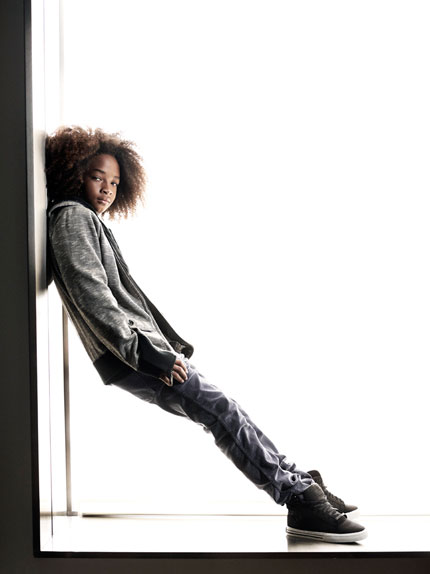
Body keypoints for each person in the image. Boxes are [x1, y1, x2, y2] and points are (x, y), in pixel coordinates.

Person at [45, 126, 367, 544]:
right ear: (74, 173)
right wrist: (146, 353)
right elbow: (92, 294)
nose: (107, 189)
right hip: (136, 355)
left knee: (226, 410)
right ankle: (298, 499)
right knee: (221, 413)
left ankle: (299, 482)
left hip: (143, 352)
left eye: (115, 182)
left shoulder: (86, 219)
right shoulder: (72, 217)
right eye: (96, 177)